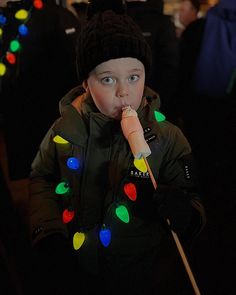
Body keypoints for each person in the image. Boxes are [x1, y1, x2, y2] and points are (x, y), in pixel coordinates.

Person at [27, 0, 206, 294]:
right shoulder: (63, 131)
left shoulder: (169, 139)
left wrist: (184, 213)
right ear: (86, 84)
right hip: (76, 267)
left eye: (133, 77)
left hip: (138, 272)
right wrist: (47, 231)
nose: (124, 92)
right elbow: (41, 177)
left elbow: (193, 199)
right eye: (108, 79)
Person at [0, 0, 80, 181]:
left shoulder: (16, 19)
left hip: (25, 110)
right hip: (54, 108)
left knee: (35, 172)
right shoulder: (61, 17)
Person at [177, 0, 236, 190]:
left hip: (201, 113)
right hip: (231, 115)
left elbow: (182, 75)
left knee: (201, 172)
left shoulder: (197, 29)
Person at [125, 0, 180, 123]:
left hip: (123, 101)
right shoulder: (163, 23)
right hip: (155, 100)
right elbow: (171, 66)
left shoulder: (118, 21)